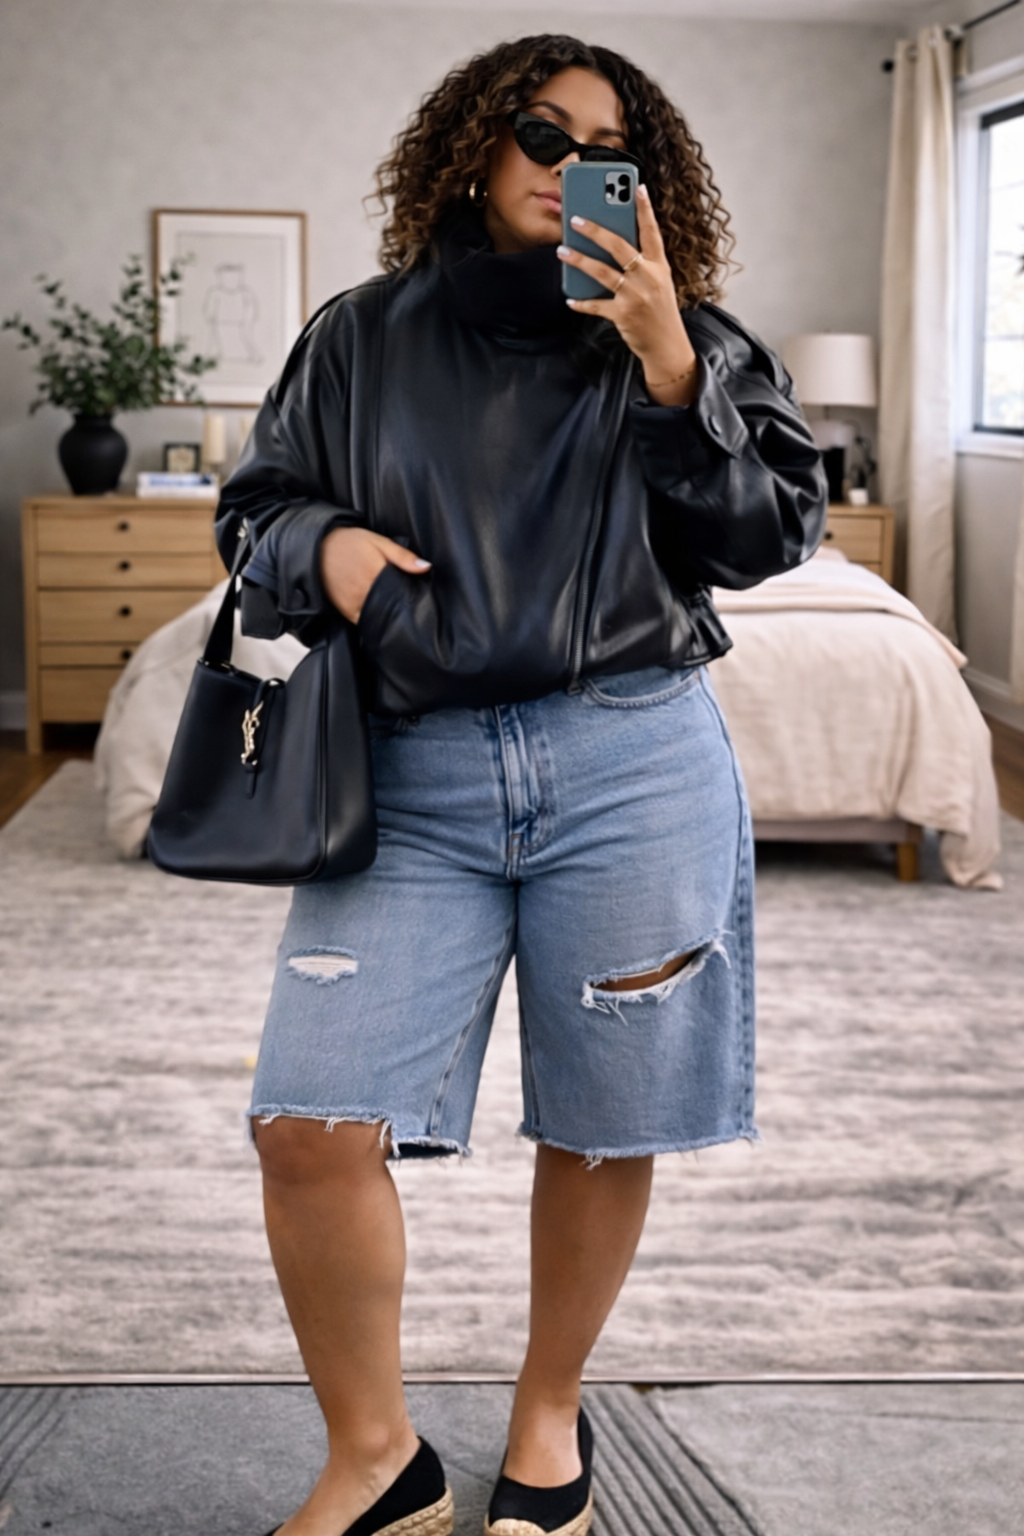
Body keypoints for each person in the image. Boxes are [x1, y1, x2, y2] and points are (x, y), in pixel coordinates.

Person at [215, 32, 827, 1536]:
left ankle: (548, 1416)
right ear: (475, 151)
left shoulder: (693, 339)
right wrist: (333, 553)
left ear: (650, 177)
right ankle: (380, 1458)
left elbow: (775, 539)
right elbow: (255, 515)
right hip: (410, 769)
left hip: (634, 759)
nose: (566, 166)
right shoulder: (360, 336)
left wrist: (673, 367)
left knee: (608, 1118)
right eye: (538, 134)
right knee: (308, 1123)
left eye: (603, 146)